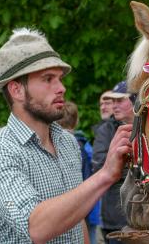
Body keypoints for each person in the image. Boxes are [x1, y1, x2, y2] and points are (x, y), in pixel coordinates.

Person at [0, 27, 132, 244]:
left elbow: (77, 219)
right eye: (48, 79)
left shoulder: (67, 142)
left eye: (59, 78)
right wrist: (105, 175)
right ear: (16, 90)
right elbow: (35, 228)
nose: (61, 88)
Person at [92, 81, 135, 244]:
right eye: (113, 101)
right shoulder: (107, 130)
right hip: (116, 217)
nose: (114, 106)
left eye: (119, 100)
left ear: (133, 100)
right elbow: (100, 166)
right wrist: (137, 168)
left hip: (147, 218)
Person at [56, 101, 100, 244]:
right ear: (76, 121)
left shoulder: (73, 145)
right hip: (85, 209)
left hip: (75, 210)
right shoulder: (83, 144)